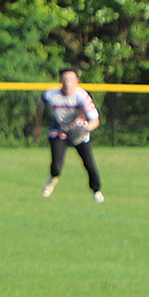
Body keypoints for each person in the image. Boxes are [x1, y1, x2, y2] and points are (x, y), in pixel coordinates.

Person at [36, 68, 103, 203]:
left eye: (71, 79)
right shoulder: (50, 94)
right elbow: (39, 103)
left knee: (89, 164)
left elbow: (95, 120)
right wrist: (37, 126)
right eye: (65, 79)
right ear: (60, 81)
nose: (68, 83)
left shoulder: (81, 96)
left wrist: (85, 129)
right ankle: (53, 178)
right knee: (56, 165)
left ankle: (96, 191)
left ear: (77, 81)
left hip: (78, 133)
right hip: (58, 131)